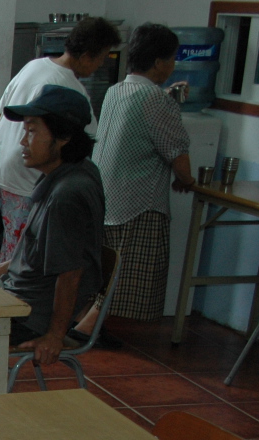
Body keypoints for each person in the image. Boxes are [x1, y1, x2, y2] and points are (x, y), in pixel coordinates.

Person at [0, 16, 119, 264]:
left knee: (14, 249)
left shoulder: (34, 66)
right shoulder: (71, 89)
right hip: (25, 179)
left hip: (1, 171)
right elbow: (88, 143)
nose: (100, 65)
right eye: (101, 58)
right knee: (21, 257)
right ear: (87, 55)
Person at [0, 85, 105, 367]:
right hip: (17, 301)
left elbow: (71, 273)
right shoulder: (68, 173)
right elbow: (49, 247)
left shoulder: (68, 194)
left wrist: (54, 335)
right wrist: (9, 265)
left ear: (64, 137)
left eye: (32, 131)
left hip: (26, 318)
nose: (23, 142)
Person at [93, 24, 195, 321]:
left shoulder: (116, 91)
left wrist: (167, 96)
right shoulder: (157, 100)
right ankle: (91, 330)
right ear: (159, 62)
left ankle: (89, 328)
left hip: (104, 199)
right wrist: (187, 181)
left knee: (102, 275)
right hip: (136, 206)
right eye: (172, 59)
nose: (173, 66)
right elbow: (178, 155)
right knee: (122, 282)